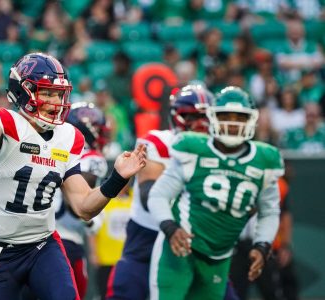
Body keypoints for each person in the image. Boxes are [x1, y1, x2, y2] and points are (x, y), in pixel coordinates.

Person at [0, 37, 147, 300]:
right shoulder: (7, 124)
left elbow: (83, 207)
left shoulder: (68, 136)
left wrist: (116, 178)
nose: (55, 101)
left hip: (42, 246)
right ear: (23, 92)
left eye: (58, 93)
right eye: (47, 92)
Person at [149, 86, 285, 300]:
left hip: (220, 256)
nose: (232, 123)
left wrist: (262, 244)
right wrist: (170, 227)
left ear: (251, 120)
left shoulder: (265, 160)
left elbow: (270, 211)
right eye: (225, 116)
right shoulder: (194, 148)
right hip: (180, 248)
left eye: (239, 117)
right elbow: (158, 195)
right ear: (213, 118)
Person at [106, 85, 213, 300]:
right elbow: (149, 196)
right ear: (176, 117)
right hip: (149, 233)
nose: (200, 124)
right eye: (191, 116)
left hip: (193, 236)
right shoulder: (158, 142)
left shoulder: (216, 151)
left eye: (206, 116)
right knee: (125, 292)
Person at [53, 101, 111, 299]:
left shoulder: (52, 149)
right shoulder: (92, 158)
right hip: (67, 240)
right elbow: (77, 200)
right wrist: (92, 220)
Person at [229, 175, 299, 300]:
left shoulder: (277, 183)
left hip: (265, 245)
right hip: (237, 244)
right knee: (235, 293)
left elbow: (285, 214)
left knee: (273, 291)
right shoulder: (231, 175)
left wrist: (285, 245)